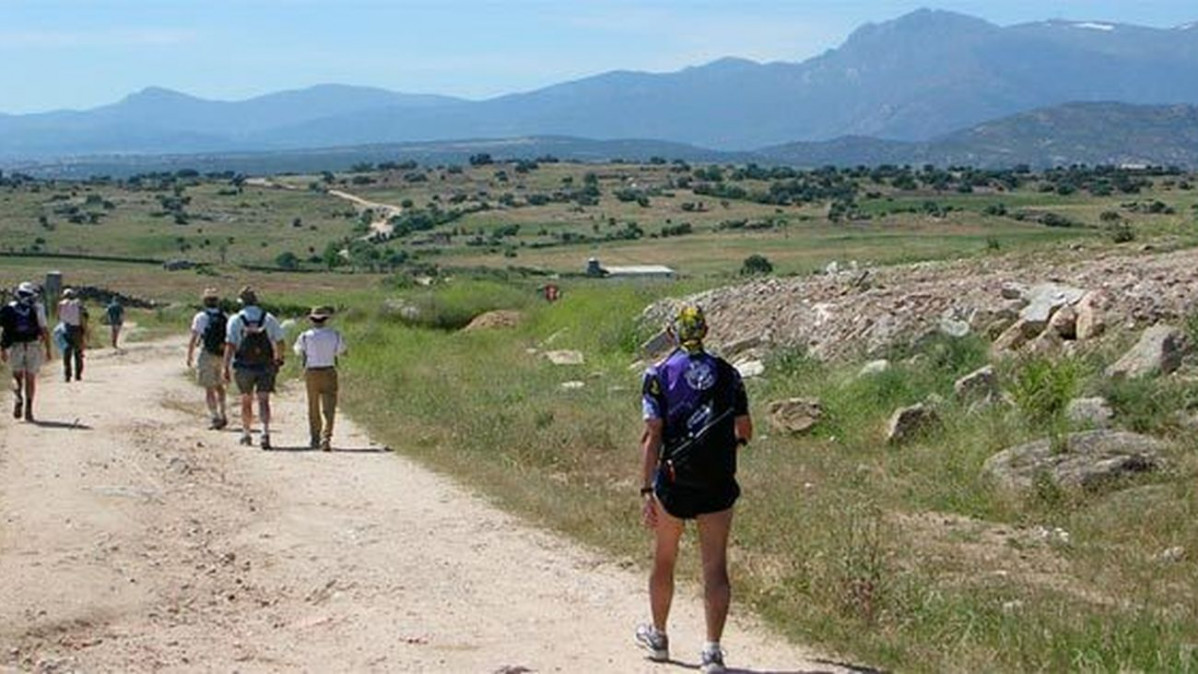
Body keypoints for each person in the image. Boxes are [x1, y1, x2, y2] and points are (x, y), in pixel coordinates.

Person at [635, 305, 752, 674]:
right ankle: (713, 651)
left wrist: (645, 489)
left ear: (672, 334)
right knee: (714, 566)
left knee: (664, 560)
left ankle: (659, 637)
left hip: (674, 481)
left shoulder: (657, 375)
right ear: (706, 330)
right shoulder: (729, 374)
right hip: (717, 480)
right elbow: (745, 428)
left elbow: (653, 434)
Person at [223, 286, 285, 449]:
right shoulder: (268, 318)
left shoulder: (236, 320)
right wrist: (279, 359)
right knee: (264, 400)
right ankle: (265, 433)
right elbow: (279, 341)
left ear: (241, 303)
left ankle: (247, 433)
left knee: (246, 400)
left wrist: (225, 367)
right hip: (265, 365)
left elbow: (230, 345)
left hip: (243, 366)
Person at [292, 305, 347, 451]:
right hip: (329, 370)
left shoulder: (305, 336)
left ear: (312, 320)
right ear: (325, 320)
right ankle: (326, 437)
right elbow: (341, 351)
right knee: (329, 406)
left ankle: (315, 437)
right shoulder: (335, 334)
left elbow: (297, 351)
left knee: (313, 406)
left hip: (312, 372)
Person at [1, 282, 53, 422]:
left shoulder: (10, 307)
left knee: (16, 376)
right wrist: (48, 349)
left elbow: (4, 330)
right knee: (30, 378)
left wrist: (2, 349)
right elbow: (44, 330)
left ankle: (18, 396)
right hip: (33, 345)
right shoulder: (38, 307)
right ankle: (29, 410)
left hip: (15, 346)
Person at [186, 288, 229, 430]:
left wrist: (190, 355)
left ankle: (214, 416)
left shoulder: (201, 317)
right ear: (217, 301)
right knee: (220, 387)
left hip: (207, 353)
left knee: (209, 388)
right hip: (222, 355)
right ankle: (223, 413)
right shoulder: (225, 317)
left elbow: (194, 337)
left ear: (204, 301)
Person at [57, 287, 86, 381]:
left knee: (67, 353)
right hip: (76, 329)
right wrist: (84, 329)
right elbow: (81, 317)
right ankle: (78, 374)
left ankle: (67, 375)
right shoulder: (78, 303)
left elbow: (58, 317)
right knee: (78, 353)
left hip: (64, 328)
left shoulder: (60, 304)